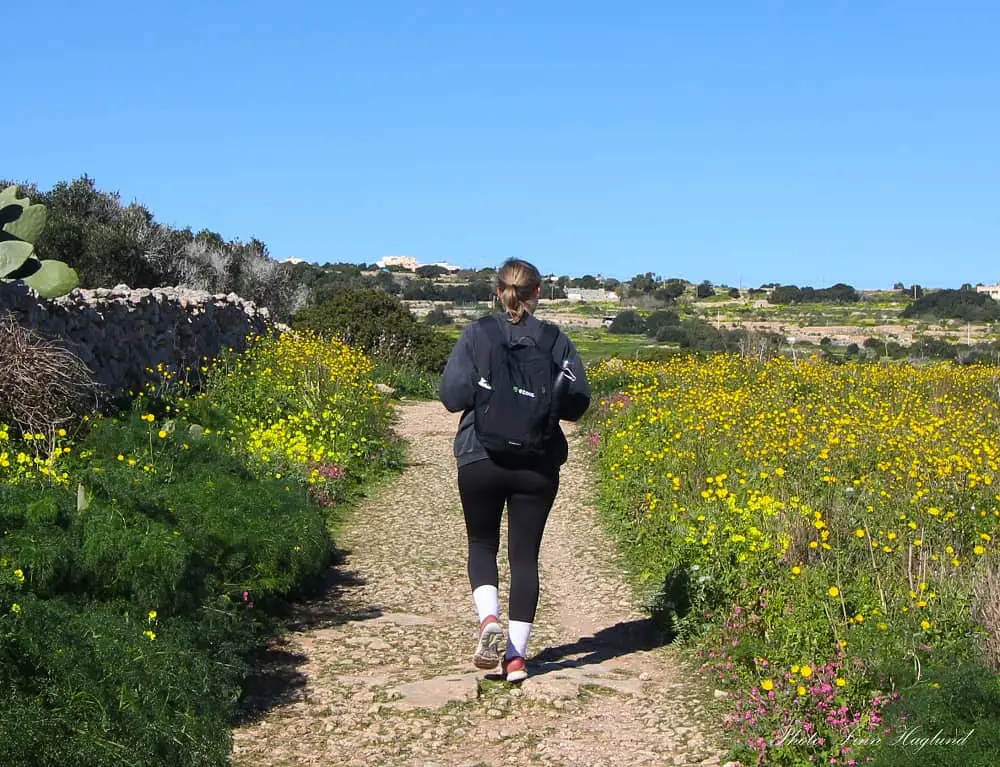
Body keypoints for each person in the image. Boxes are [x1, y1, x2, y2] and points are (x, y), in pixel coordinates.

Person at [439, 258, 591, 682]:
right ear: (538, 292)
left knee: (481, 544)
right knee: (525, 556)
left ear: (497, 292)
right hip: (537, 463)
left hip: (479, 456)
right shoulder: (554, 340)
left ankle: (488, 620)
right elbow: (578, 403)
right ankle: (518, 658)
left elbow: (451, 396)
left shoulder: (477, 335)